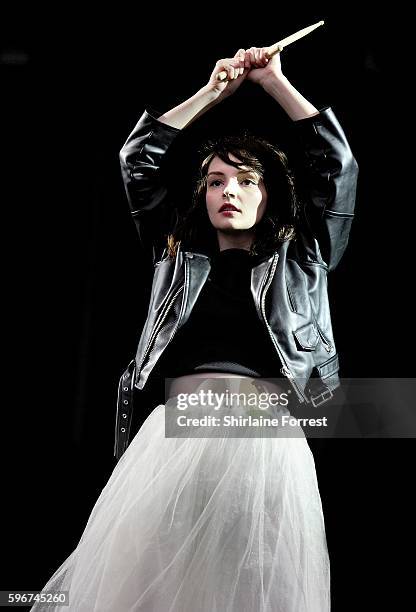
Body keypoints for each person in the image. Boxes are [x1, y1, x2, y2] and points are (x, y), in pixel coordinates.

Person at [31, 46, 358, 611]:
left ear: (268, 192)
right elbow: (138, 158)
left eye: (244, 180)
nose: (227, 190)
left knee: (247, 591)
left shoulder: (304, 258)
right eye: (214, 181)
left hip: (262, 442)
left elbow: (338, 167)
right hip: (172, 440)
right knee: (143, 590)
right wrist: (216, 92)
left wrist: (274, 83)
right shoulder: (172, 254)